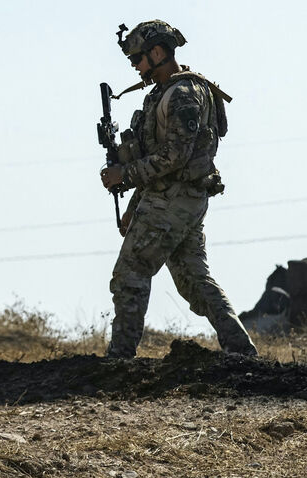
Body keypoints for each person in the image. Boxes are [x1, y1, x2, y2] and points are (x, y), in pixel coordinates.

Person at [99, 20, 258, 358]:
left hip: (172, 202)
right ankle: (242, 352)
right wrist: (133, 204)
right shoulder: (171, 91)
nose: (136, 67)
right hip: (180, 200)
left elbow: (174, 157)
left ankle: (119, 359)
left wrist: (124, 175)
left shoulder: (183, 94)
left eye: (138, 59)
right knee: (193, 280)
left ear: (157, 52)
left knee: (131, 272)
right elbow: (166, 164)